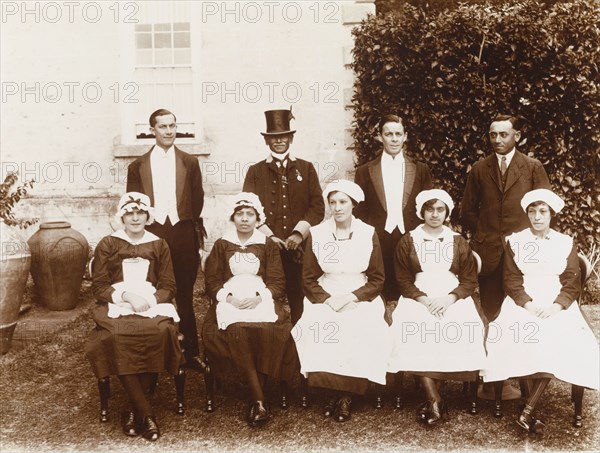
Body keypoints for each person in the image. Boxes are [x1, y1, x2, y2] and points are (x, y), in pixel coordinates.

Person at [482, 189, 599, 433]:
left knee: (563, 336)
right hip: (524, 299)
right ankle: (529, 405)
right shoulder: (516, 241)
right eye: (532, 212)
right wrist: (528, 304)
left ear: (551, 214)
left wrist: (557, 306)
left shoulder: (564, 242)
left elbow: (571, 281)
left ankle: (528, 409)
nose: (537, 217)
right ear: (527, 214)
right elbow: (511, 280)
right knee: (519, 331)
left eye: (542, 211)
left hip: (557, 301)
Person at [85, 192, 183, 441]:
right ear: (122, 217)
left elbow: (169, 285)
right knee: (117, 336)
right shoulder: (108, 243)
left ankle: (132, 409)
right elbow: (98, 286)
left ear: (148, 216)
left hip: (150, 304)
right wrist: (127, 296)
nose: (135, 217)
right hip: (118, 303)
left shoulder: (159, 244)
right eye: (130, 213)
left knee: (160, 333)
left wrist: (149, 301)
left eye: (140, 213)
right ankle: (147, 415)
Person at [294, 180, 392, 422]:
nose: (337, 208)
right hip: (326, 292)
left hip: (360, 293)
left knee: (361, 323)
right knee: (318, 323)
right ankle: (330, 391)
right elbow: (307, 279)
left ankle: (347, 395)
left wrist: (352, 297)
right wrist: (327, 300)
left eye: (342, 202)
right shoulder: (317, 233)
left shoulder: (368, 232)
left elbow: (378, 278)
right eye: (333, 202)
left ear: (353, 205)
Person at [388, 189, 486, 425]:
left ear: (447, 212)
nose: (434, 214)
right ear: (421, 212)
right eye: (429, 209)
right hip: (419, 295)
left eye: (440, 209)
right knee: (411, 324)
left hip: (451, 294)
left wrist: (449, 299)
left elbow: (469, 280)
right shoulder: (408, 239)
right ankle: (435, 399)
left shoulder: (458, 240)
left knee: (462, 323)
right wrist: (423, 299)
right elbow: (402, 279)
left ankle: (432, 398)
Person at [201, 192, 299, 426]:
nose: (245, 219)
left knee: (269, 329)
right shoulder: (222, 244)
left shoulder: (267, 245)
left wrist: (260, 298)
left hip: (259, 297)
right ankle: (259, 399)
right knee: (236, 329)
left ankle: (256, 397)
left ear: (258, 218)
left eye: (250, 214)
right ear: (232, 218)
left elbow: (278, 281)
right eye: (240, 214)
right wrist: (229, 298)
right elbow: (212, 281)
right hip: (231, 298)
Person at [127, 108, 206, 372]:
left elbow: (197, 201)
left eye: (173, 126)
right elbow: (133, 206)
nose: (169, 131)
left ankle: (191, 351)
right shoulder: (137, 166)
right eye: (163, 127)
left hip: (183, 232)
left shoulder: (189, 162)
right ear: (152, 130)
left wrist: (188, 227)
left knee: (184, 292)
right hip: (153, 233)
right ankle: (155, 352)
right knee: (154, 290)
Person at [460, 114, 550, 323]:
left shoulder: (533, 167)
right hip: (489, 251)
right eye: (493, 135)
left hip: (524, 251)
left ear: (516, 136)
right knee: (490, 311)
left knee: (522, 310)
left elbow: (544, 209)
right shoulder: (480, 169)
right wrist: (486, 232)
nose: (497, 140)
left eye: (503, 135)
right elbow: (467, 212)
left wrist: (525, 236)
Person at [243, 108, 324, 325]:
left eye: (283, 136)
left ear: (291, 138)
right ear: (267, 141)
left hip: (300, 247)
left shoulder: (306, 169)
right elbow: (247, 208)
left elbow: (317, 206)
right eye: (273, 138)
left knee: (300, 296)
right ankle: (275, 341)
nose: (279, 141)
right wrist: (270, 236)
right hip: (268, 245)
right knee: (269, 294)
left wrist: (299, 233)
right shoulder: (255, 171)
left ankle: (300, 340)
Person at [354, 114, 433, 302]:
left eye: (398, 134)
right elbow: (360, 211)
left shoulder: (421, 169)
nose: (394, 139)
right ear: (380, 137)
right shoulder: (365, 171)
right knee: (381, 290)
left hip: (411, 235)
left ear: (405, 136)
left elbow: (428, 207)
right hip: (379, 237)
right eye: (389, 134)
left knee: (411, 288)